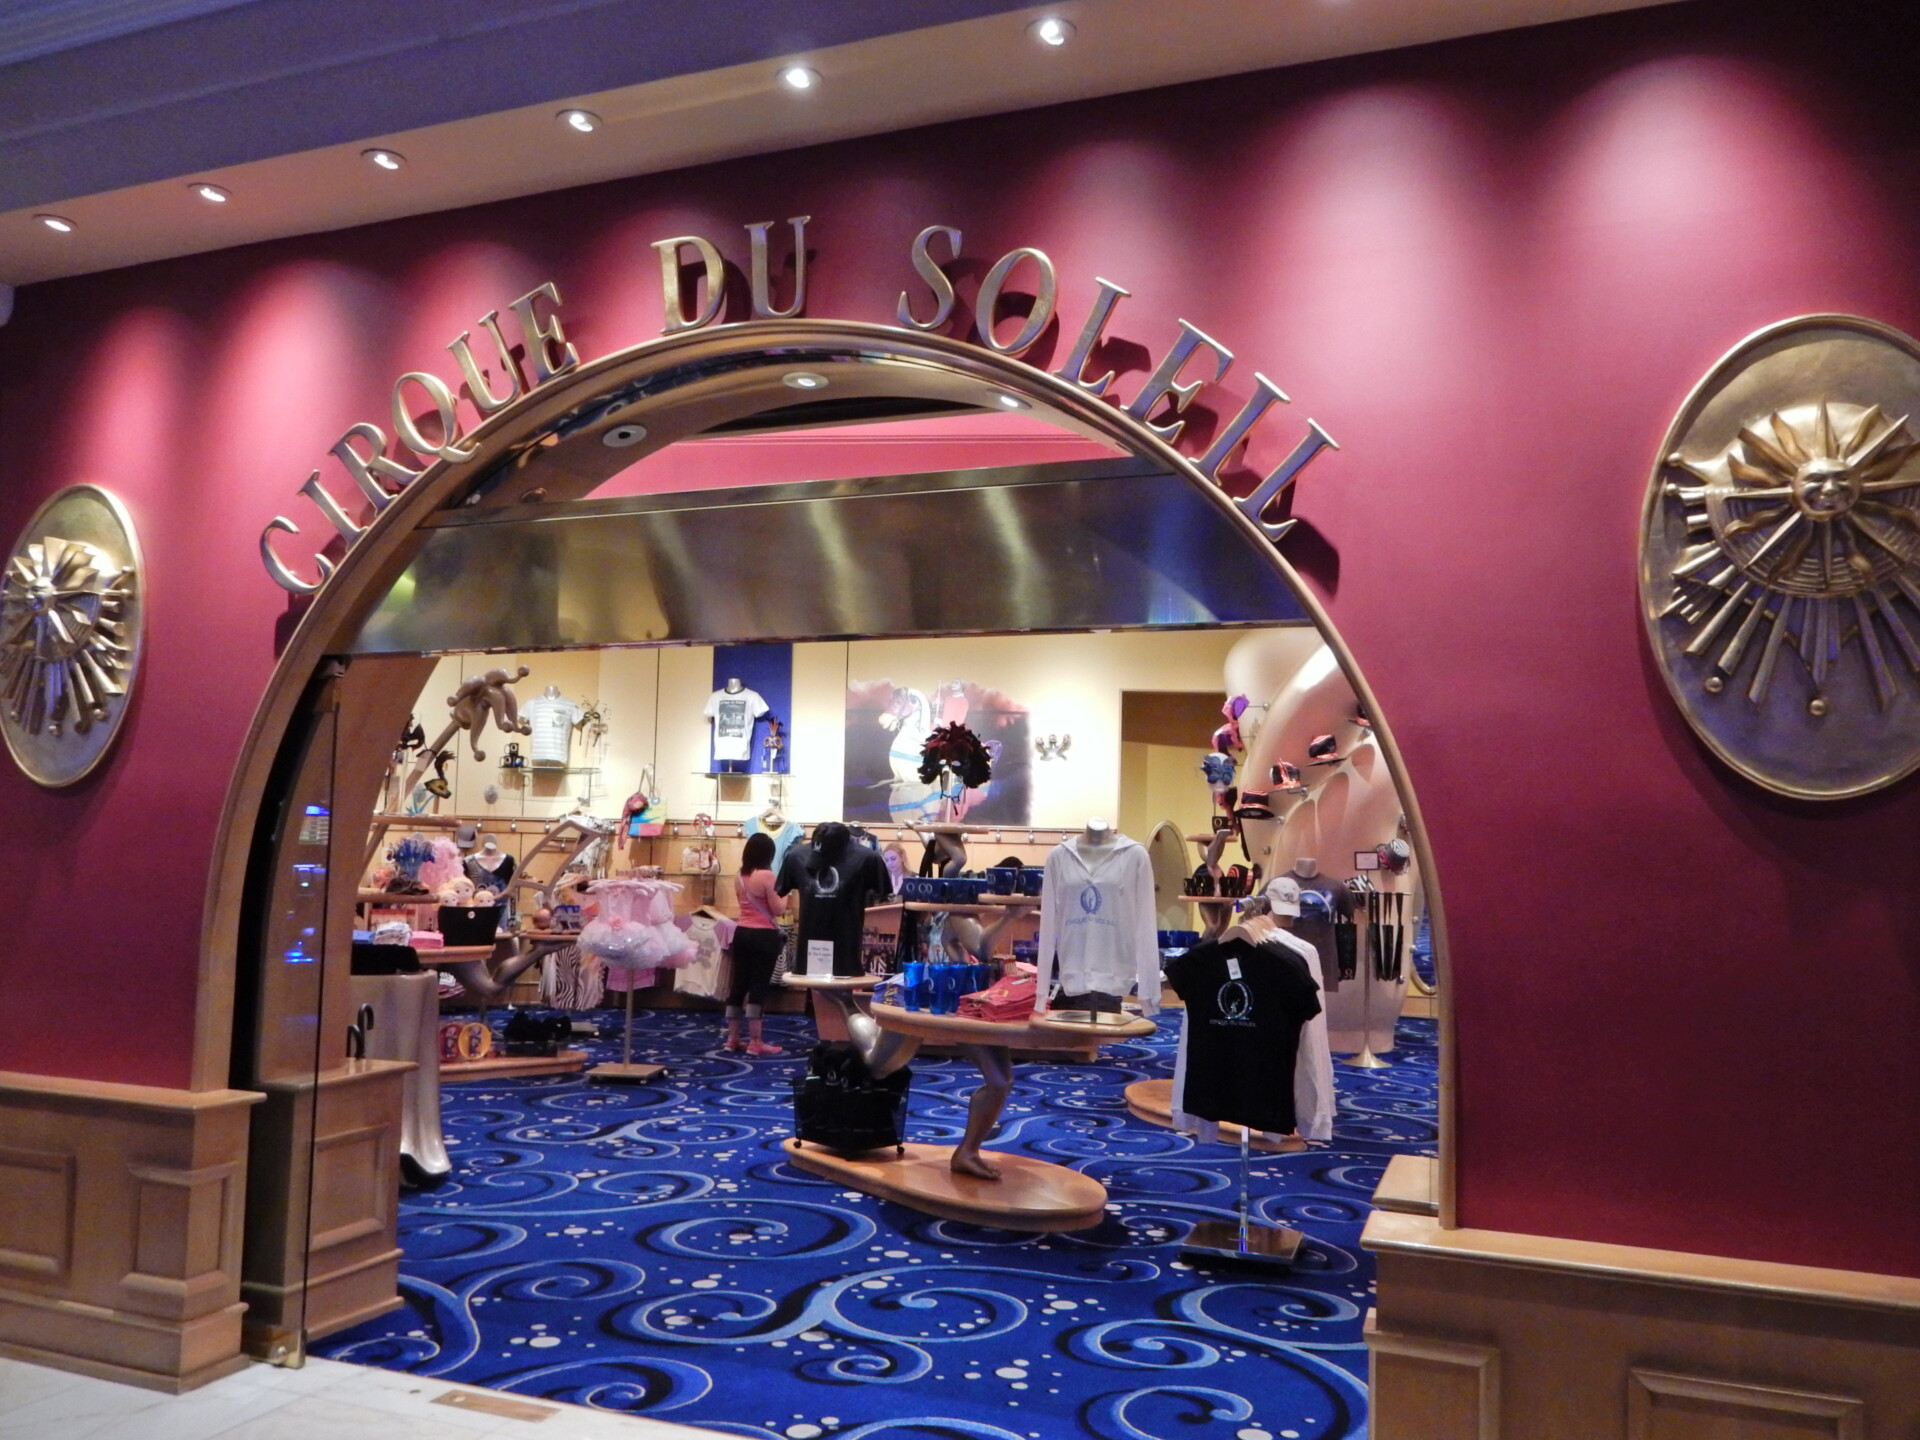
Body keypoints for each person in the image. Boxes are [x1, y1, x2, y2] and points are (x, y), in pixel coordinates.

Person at [726, 832, 789, 1055]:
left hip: (741, 932)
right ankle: (755, 1041)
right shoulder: (767, 876)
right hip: (763, 935)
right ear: (768, 854)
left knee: (738, 985)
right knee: (758, 987)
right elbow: (778, 909)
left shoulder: (739, 876)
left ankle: (732, 1039)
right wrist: (786, 893)